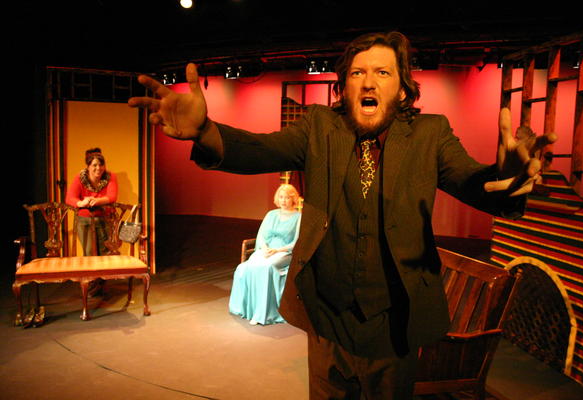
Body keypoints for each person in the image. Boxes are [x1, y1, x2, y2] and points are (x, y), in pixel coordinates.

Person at [129, 31, 556, 399]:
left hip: (394, 325)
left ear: (402, 90)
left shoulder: (431, 134)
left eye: (382, 72)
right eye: (357, 73)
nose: (368, 81)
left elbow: (470, 180)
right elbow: (260, 149)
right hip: (327, 321)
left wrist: (507, 176)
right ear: (344, 87)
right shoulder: (319, 127)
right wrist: (206, 131)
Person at [229, 183, 302, 326]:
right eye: (281, 197)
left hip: (285, 252)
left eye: (287, 197)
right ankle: (246, 308)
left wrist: (278, 250)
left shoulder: (299, 217)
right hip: (266, 250)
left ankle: (261, 313)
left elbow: (296, 242)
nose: (283, 200)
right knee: (244, 267)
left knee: (266, 267)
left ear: (293, 199)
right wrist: (265, 248)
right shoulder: (271, 214)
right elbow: (262, 236)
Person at [65, 148, 118, 256]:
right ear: (88, 166)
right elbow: (70, 198)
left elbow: (112, 196)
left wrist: (98, 201)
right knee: (89, 252)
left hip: (105, 219)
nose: (98, 168)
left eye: (101, 165)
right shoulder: (80, 178)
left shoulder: (110, 176)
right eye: (94, 165)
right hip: (85, 220)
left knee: (106, 253)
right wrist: (81, 203)